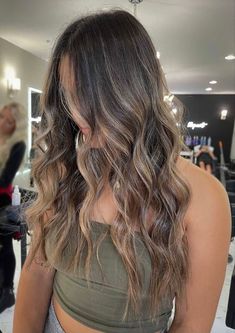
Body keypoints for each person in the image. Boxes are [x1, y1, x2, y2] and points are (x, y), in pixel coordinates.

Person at [13, 10, 231, 333]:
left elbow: (191, 324)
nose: (78, 112)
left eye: (91, 94)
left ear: (132, 90)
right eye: (70, 95)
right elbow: (37, 273)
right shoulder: (67, 171)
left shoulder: (203, 198)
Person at [0, 102, 26, 313]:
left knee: (5, 244)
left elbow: (5, 178)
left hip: (2, 199)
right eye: (1, 117)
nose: (3, 123)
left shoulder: (18, 146)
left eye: (9, 121)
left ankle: (7, 292)